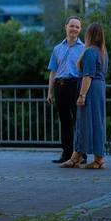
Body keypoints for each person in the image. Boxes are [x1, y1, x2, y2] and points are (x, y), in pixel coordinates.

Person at [60, 22, 108, 170]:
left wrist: (82, 95)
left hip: (90, 89)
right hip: (99, 88)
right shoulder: (102, 52)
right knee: (96, 122)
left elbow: (88, 75)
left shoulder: (89, 52)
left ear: (89, 35)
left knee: (84, 122)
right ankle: (83, 157)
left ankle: (93, 159)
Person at [47, 16, 87, 164]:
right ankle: (67, 153)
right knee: (64, 121)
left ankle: (81, 154)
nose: (74, 29)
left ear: (80, 30)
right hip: (60, 86)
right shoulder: (57, 49)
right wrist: (50, 92)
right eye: (72, 26)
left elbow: (86, 72)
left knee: (79, 121)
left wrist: (84, 93)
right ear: (66, 27)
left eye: (77, 27)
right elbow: (53, 72)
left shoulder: (84, 48)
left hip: (75, 85)